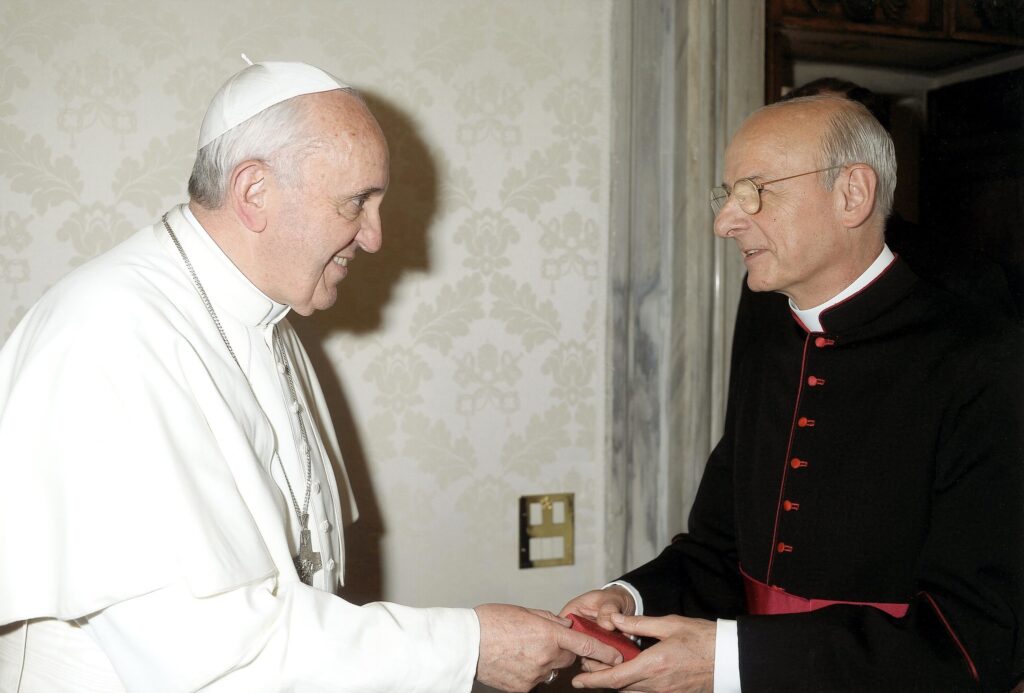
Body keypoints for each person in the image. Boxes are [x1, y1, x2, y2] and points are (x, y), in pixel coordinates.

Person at [0, 59, 621, 692]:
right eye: (357, 203)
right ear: (255, 193)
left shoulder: (266, 320)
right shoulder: (106, 338)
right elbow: (210, 654)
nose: (375, 238)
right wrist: (470, 645)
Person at [561, 95, 1024, 691]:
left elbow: (975, 636)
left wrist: (733, 660)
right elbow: (720, 549)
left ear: (852, 194)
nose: (725, 221)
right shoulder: (771, 337)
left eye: (755, 190)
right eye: (726, 194)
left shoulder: (986, 358)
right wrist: (628, 596)